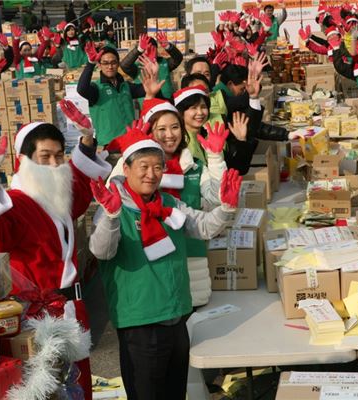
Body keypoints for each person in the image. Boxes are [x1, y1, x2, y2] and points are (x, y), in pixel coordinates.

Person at [88, 124, 242, 399]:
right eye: (143, 167)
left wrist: (226, 209)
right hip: (141, 322)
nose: (151, 174)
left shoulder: (168, 204)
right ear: (127, 168)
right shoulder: (113, 206)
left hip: (176, 315)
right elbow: (102, 251)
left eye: (158, 167)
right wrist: (111, 217)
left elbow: (203, 227)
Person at [0, 100, 112, 400]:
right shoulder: (16, 203)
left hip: (74, 312)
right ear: (25, 160)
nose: (54, 165)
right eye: (44, 157)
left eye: (59, 156)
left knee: (79, 387)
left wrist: (87, 135)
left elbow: (80, 183)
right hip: (38, 319)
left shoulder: (59, 199)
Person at [107, 99, 232, 307]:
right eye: (161, 129)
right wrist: (130, 152)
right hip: (145, 264)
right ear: (150, 132)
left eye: (175, 127)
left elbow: (216, 198)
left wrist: (216, 157)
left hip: (190, 258)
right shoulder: (139, 172)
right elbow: (114, 192)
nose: (169, 135)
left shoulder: (194, 166)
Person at [77, 44, 162, 149]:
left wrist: (153, 75)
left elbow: (149, 91)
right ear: (99, 65)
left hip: (130, 142)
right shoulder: (96, 88)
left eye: (113, 62)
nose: (110, 66)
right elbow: (81, 89)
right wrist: (90, 64)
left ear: (118, 64)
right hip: (110, 145)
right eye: (105, 63)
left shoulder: (125, 86)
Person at [120, 33, 184, 101]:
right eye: (145, 50)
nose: (148, 52)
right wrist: (138, 50)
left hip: (167, 103)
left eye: (151, 49)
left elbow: (178, 58)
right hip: (147, 105)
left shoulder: (164, 62)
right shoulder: (137, 67)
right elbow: (124, 65)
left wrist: (168, 47)